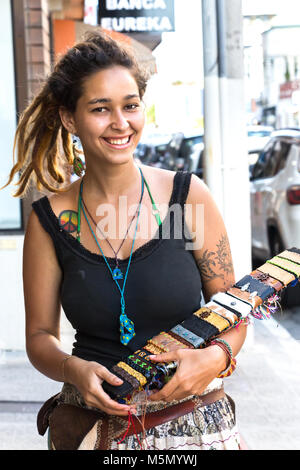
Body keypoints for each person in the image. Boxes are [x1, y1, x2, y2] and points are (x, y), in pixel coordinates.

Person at [1, 32, 247, 450]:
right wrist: (73, 369)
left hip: (195, 424)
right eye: (101, 109)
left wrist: (214, 358)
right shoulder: (49, 220)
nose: (121, 123)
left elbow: (232, 309)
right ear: (69, 118)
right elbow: (40, 335)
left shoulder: (188, 198)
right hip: (94, 431)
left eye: (130, 105)